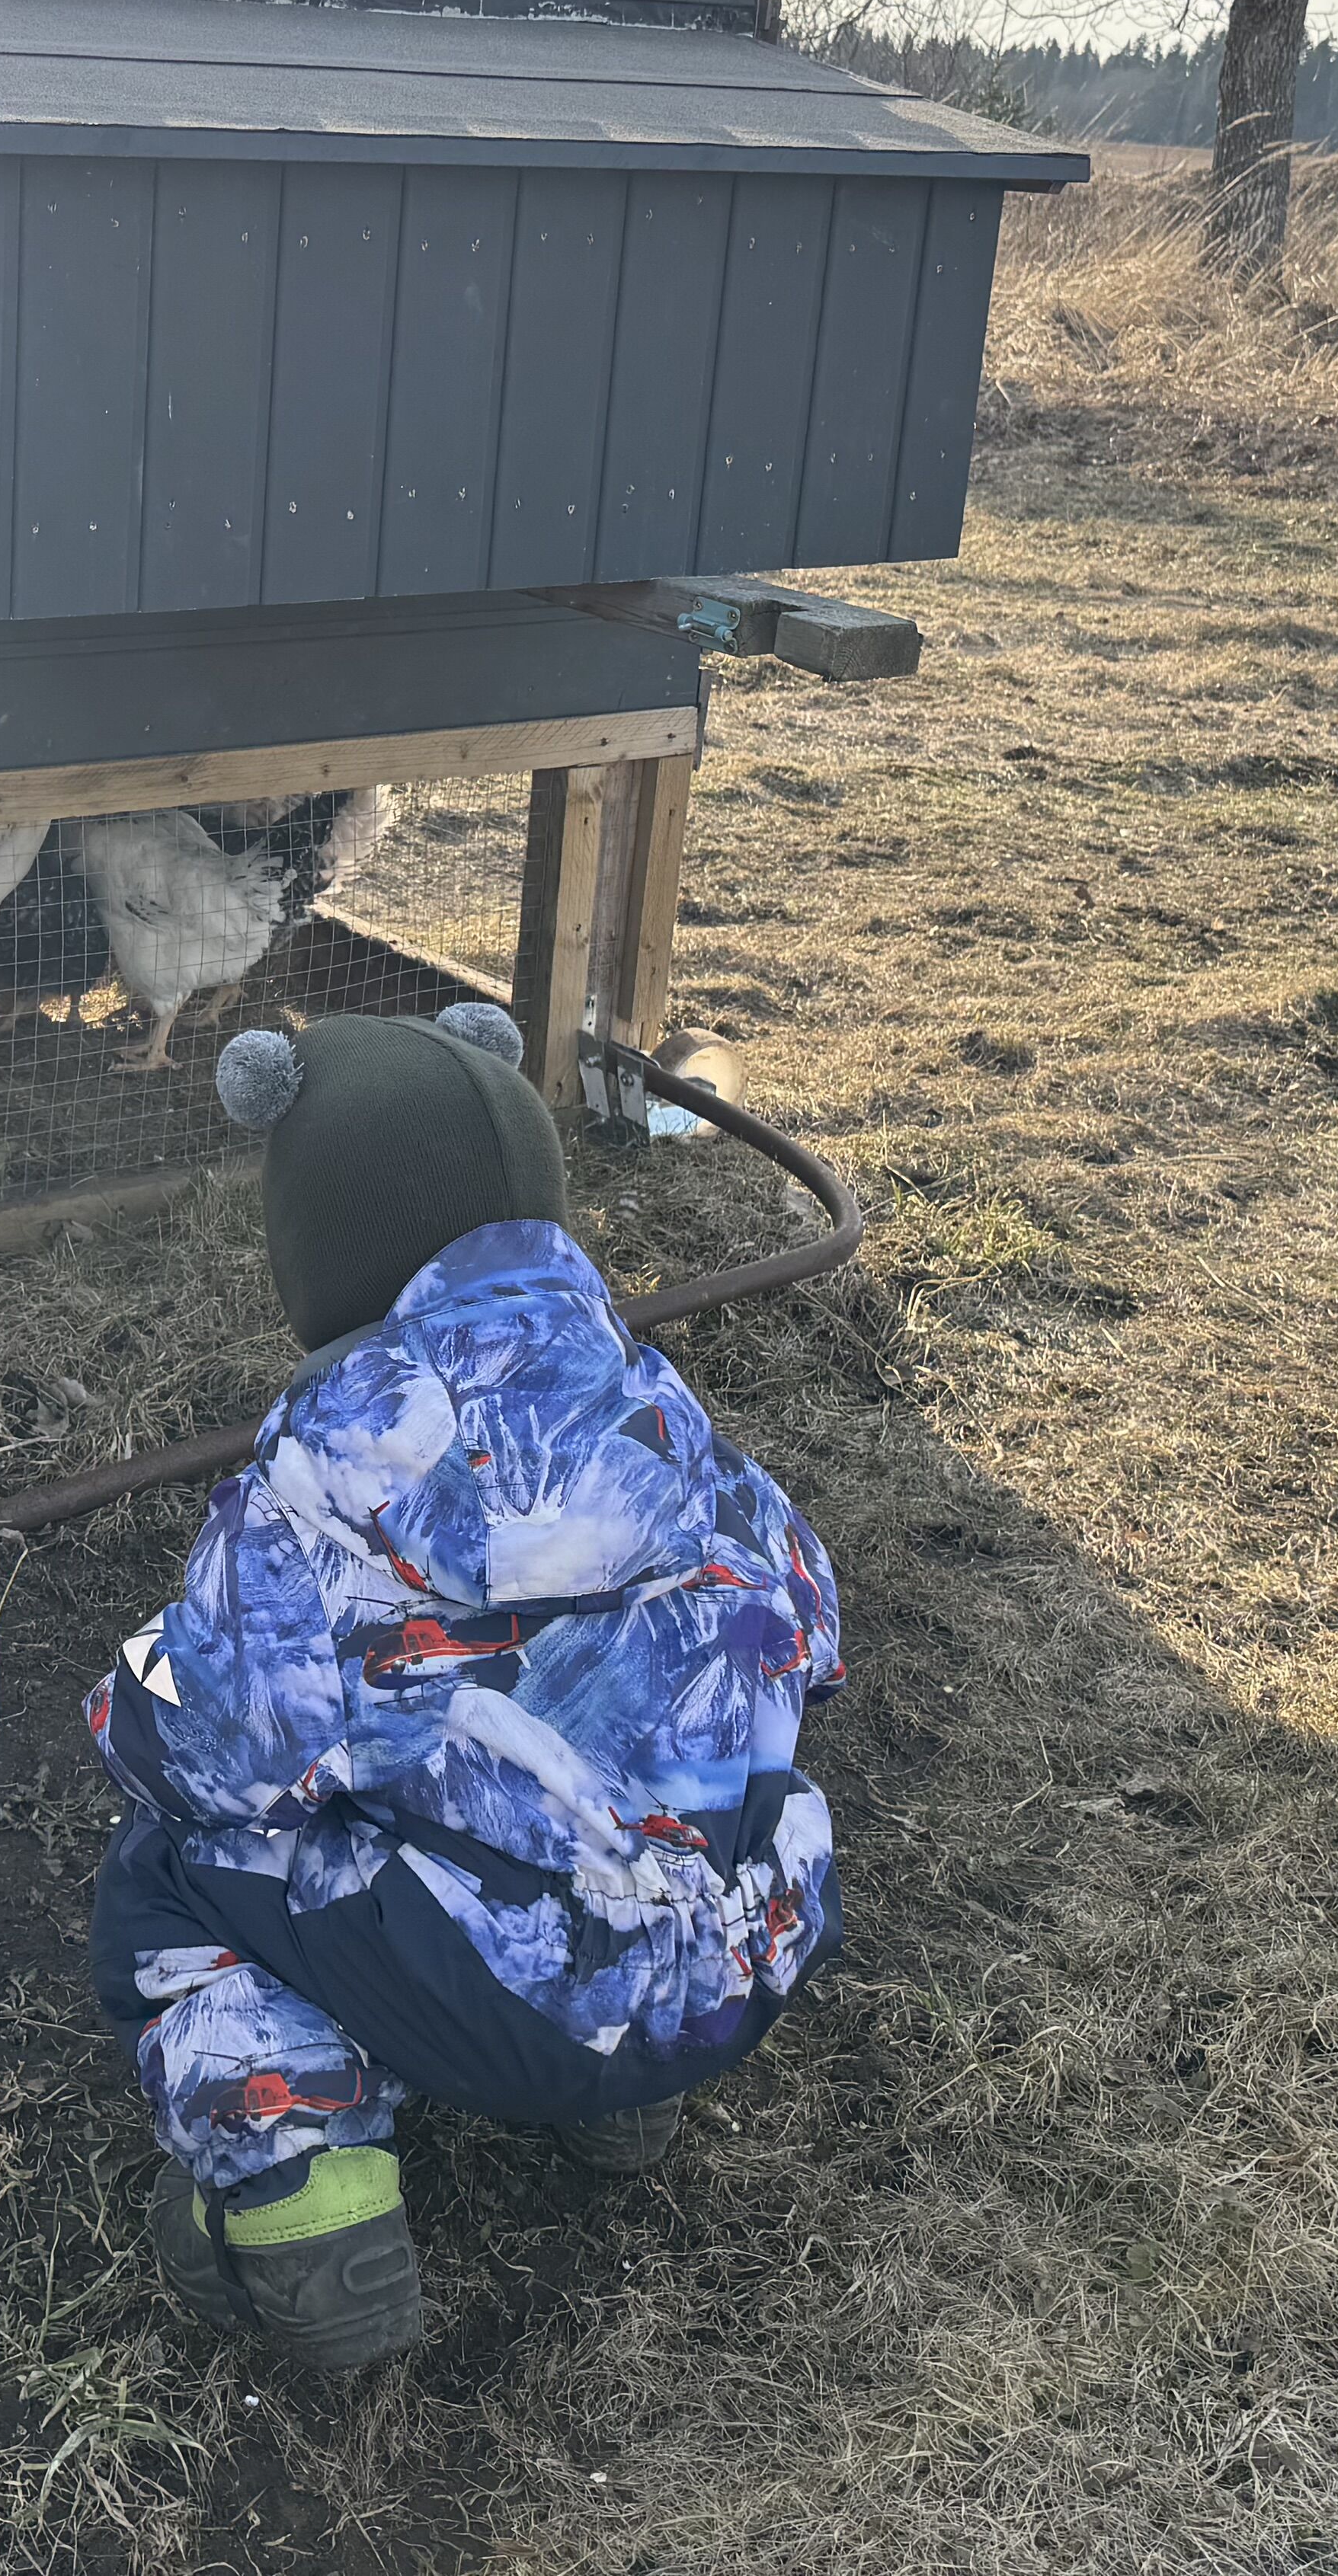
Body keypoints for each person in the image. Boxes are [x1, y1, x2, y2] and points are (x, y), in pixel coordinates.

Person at [80, 1005, 846, 2371]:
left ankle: (307, 2194)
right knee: (665, 1797)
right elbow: (810, 1635)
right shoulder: (663, 1415)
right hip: (732, 1956)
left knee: (178, 1863)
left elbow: (207, 1745)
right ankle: (623, 2100)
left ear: (320, 1250)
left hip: (511, 1993)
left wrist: (130, 1702)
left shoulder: (324, 1480)